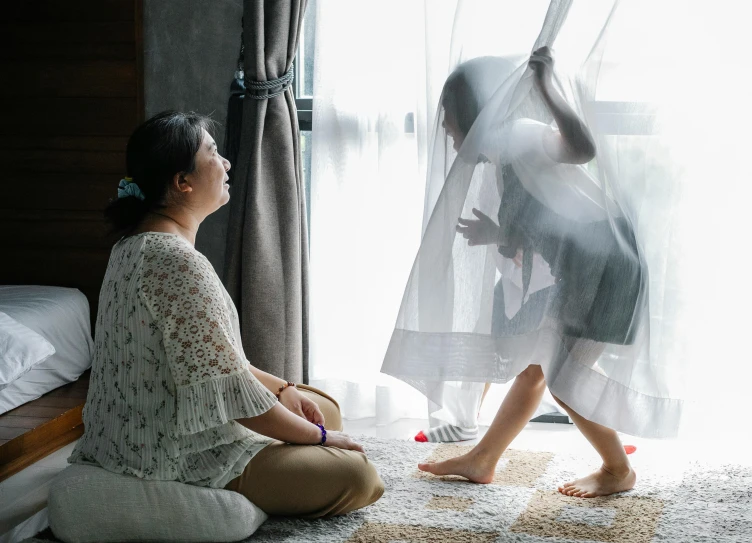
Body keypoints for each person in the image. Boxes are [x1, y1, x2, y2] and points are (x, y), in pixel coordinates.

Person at [70, 111, 384, 518]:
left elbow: (214, 362)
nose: (226, 163)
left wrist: (285, 389)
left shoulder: (135, 246)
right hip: (171, 451)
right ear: (182, 183)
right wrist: (321, 440)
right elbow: (233, 398)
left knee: (321, 405)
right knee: (359, 476)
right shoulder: (173, 261)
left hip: (142, 432)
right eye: (213, 153)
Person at [402, 48, 646, 497]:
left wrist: (547, 87)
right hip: (581, 272)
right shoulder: (504, 159)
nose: (447, 134)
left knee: (566, 380)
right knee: (535, 367)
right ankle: (482, 459)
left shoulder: (521, 135)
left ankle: (618, 470)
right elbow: (549, 227)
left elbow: (581, 149)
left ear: (474, 115)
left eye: (450, 122)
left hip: (606, 273)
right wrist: (499, 235)